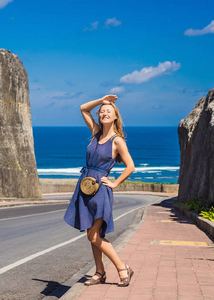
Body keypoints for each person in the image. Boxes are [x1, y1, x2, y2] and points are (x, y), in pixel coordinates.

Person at [64, 95, 135, 287]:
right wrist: (102, 99)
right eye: (102, 111)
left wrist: (115, 183)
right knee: (93, 234)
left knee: (93, 235)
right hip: (85, 187)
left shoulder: (117, 140)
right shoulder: (96, 133)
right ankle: (99, 272)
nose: (104, 113)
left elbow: (130, 166)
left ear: (115, 118)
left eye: (108, 111)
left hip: (100, 191)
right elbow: (83, 109)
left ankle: (122, 268)